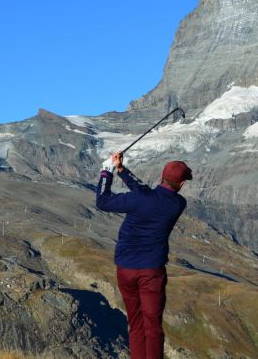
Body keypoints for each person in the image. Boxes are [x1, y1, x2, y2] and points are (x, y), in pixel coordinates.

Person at [95, 152, 192, 359]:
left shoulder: (140, 198)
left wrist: (107, 172)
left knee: (136, 323)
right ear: (181, 184)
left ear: (160, 177)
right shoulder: (178, 204)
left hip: (126, 269)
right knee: (153, 326)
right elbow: (146, 193)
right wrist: (122, 170)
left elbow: (103, 202)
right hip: (152, 273)